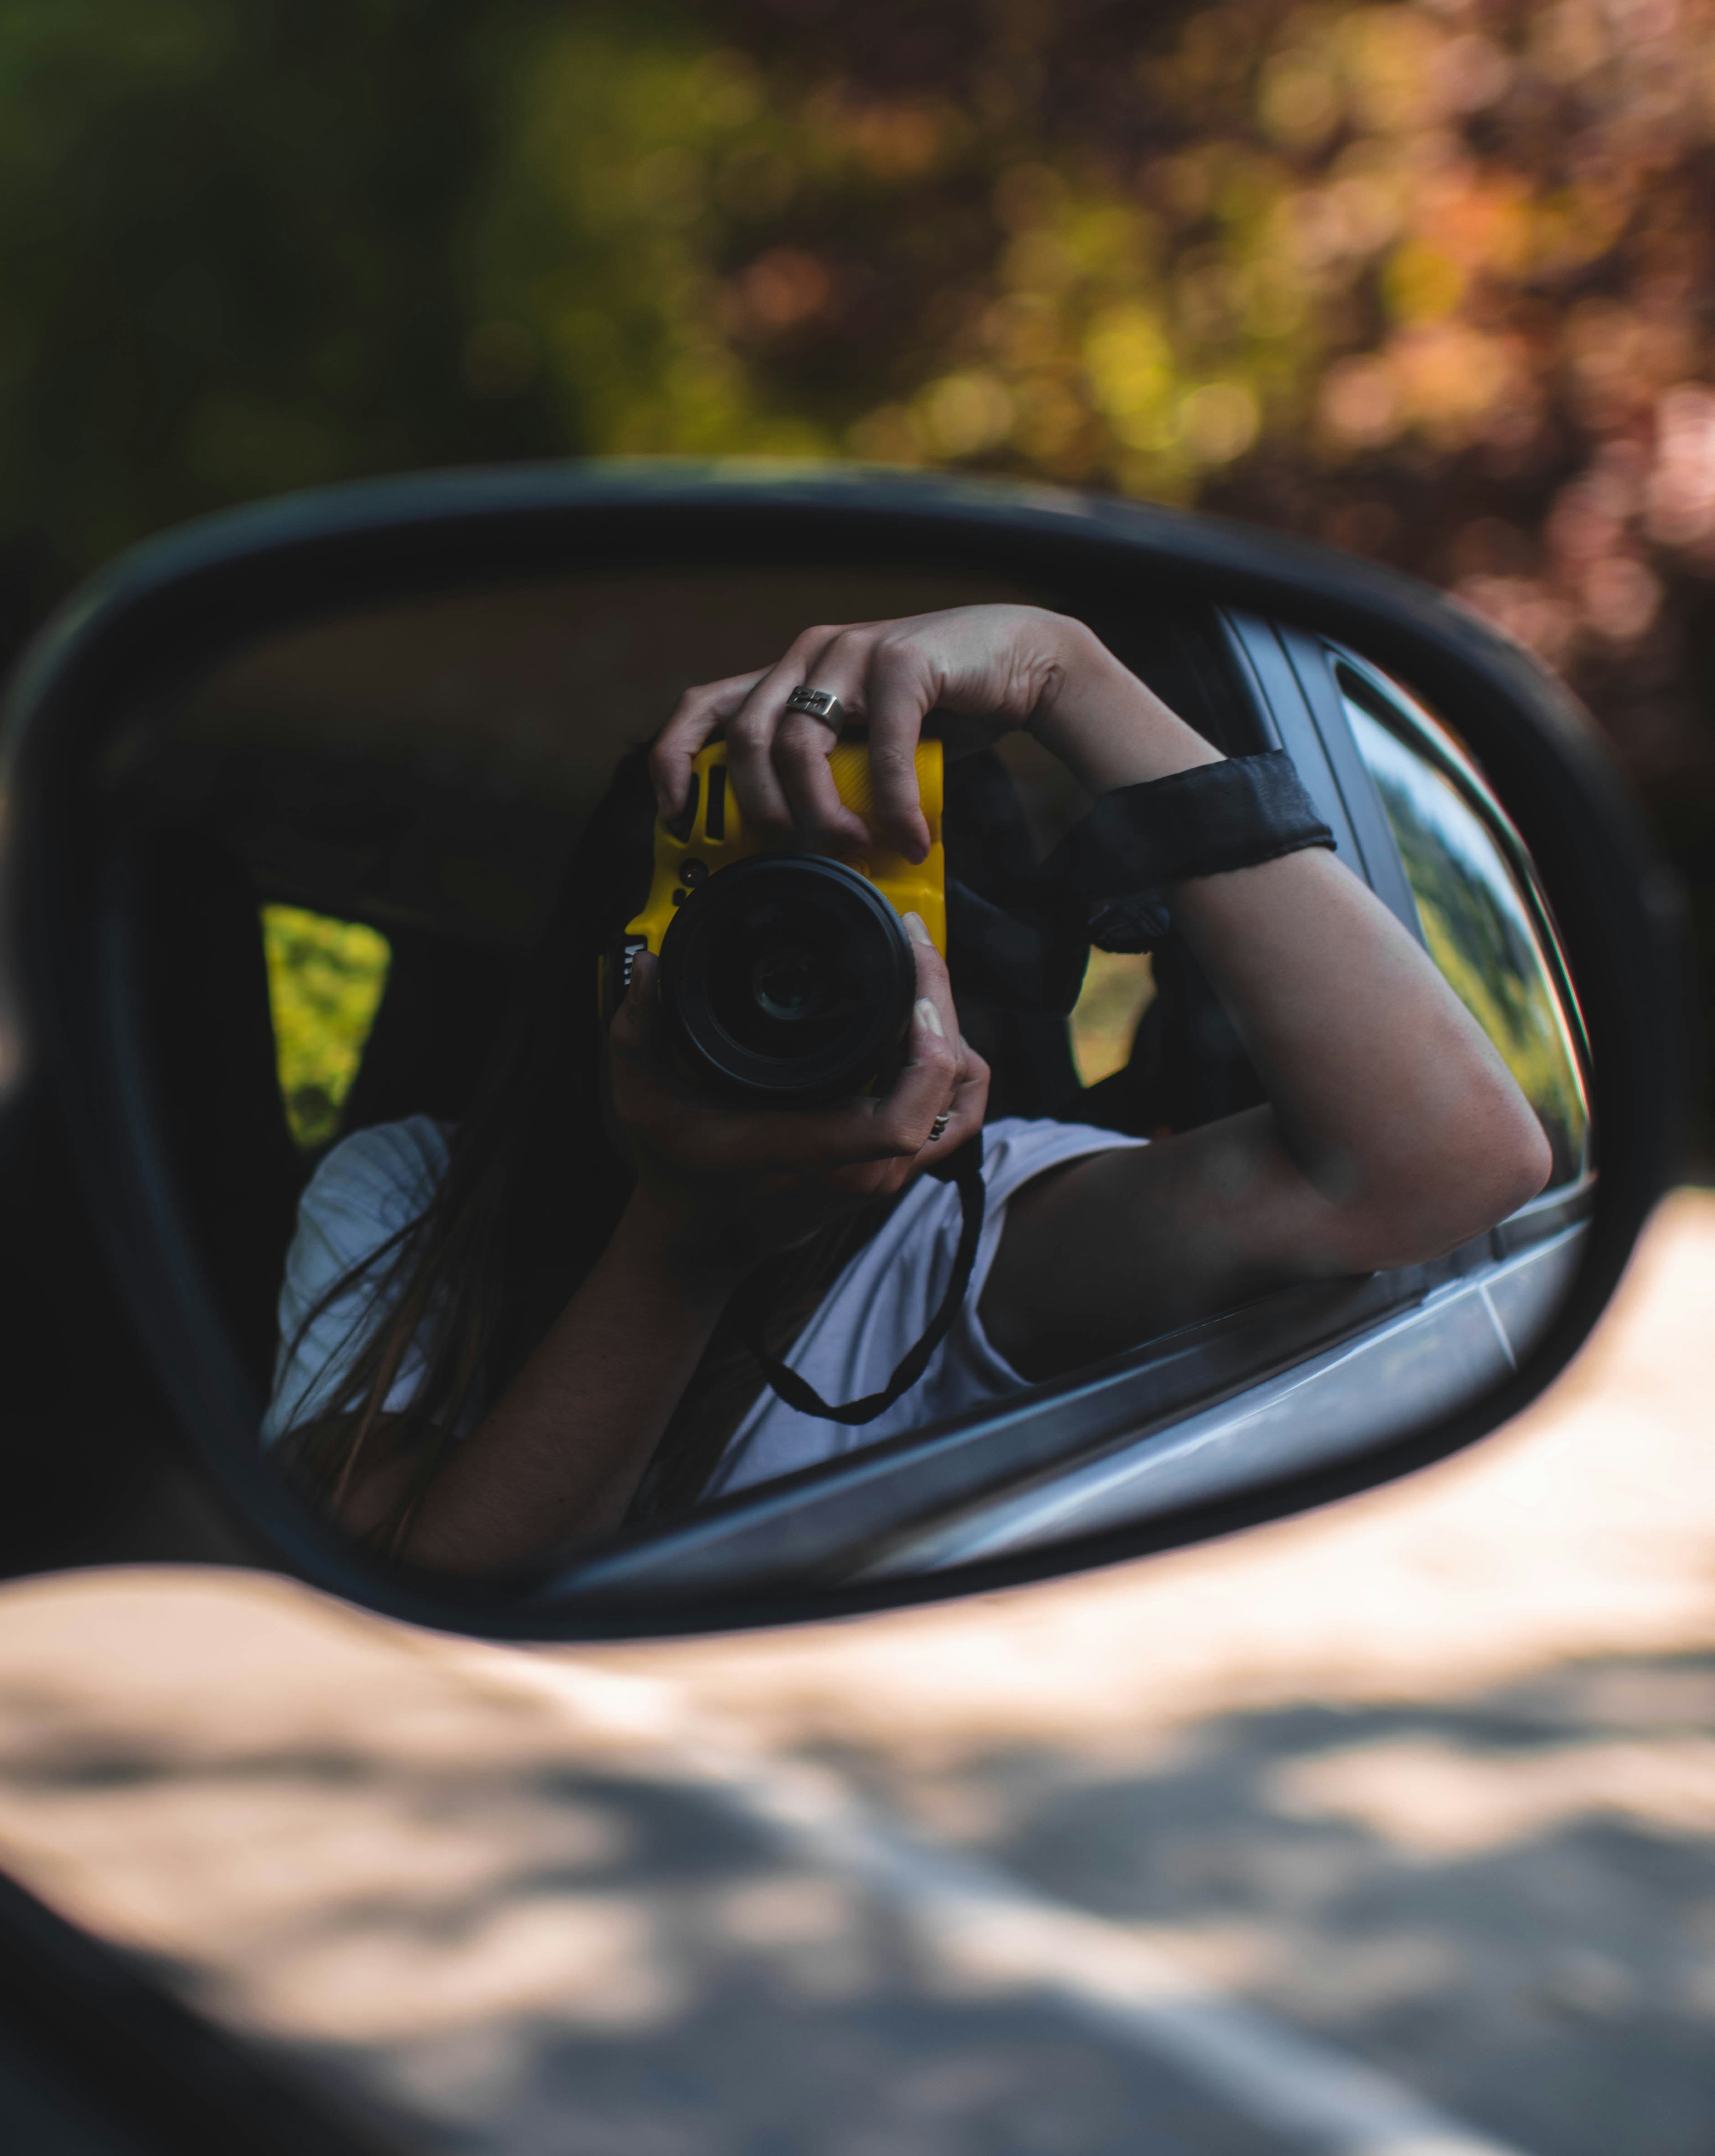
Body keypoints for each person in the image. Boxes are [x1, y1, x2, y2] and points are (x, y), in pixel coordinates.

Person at [265, 602, 1553, 1574]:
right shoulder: (413, 1191)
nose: (786, 966)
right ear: (614, 938)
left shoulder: (973, 1224)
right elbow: (411, 1587)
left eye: (855, 920)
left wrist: (1070, 671)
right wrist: (684, 1238)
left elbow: (1449, 1167)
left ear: (949, 977)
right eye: (730, 900)